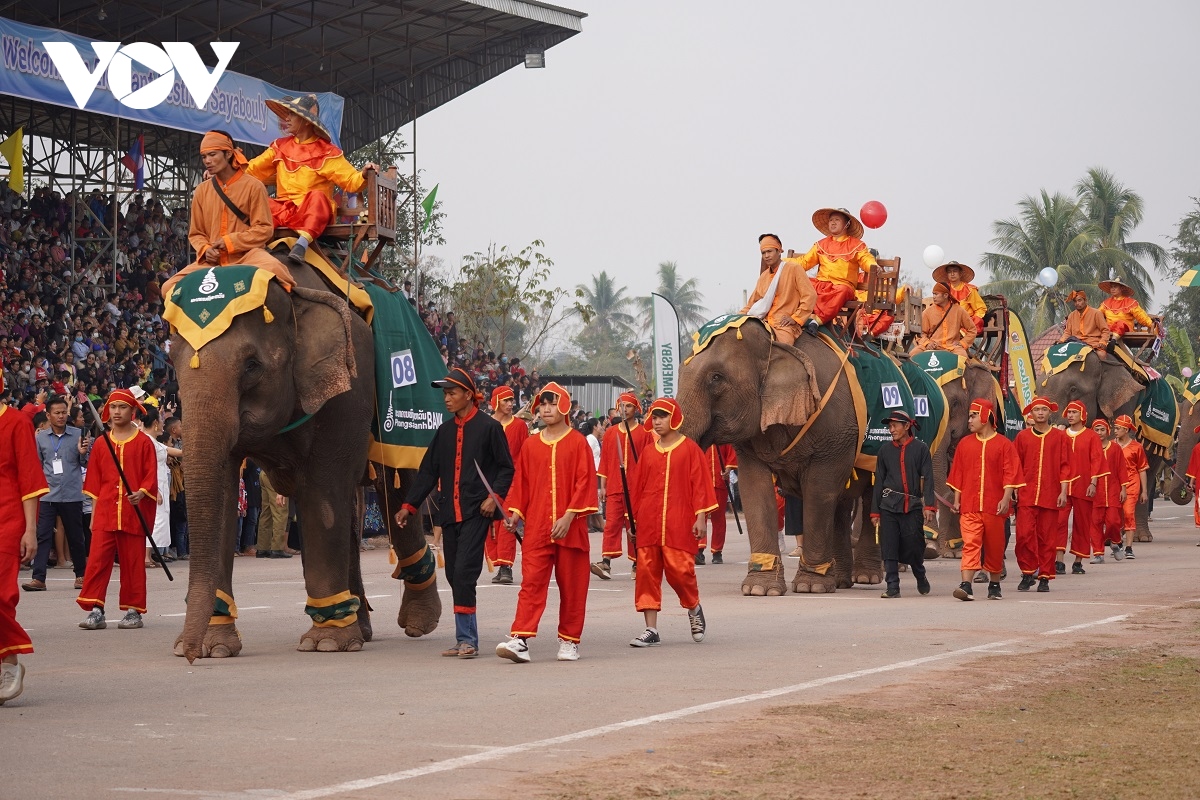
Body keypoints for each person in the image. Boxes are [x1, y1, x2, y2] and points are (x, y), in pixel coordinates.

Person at [395, 367, 513, 659]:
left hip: (477, 512)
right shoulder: (444, 431)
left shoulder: (490, 428)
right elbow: (427, 472)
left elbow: (506, 467)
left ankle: (468, 639)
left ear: (469, 396)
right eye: (445, 394)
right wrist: (409, 505)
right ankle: (464, 639)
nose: (446, 399)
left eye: (452, 393)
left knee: (464, 573)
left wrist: (494, 497)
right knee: (452, 575)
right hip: (450, 513)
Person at [495, 383, 598, 663]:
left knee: (573, 586)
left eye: (552, 403)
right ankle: (521, 639)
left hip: (571, 528)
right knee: (532, 582)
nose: (546, 409)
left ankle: (569, 640)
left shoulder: (578, 442)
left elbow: (585, 482)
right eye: (543, 404)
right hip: (538, 528)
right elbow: (522, 484)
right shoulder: (531, 444)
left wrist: (569, 515)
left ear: (564, 406)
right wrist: (514, 512)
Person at [246, 94, 378, 265]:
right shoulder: (279, 146)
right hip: (284, 209)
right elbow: (252, 169)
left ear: (306, 121)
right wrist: (226, 172)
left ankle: (301, 244)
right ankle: (256, 245)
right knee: (262, 202)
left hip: (312, 212)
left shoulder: (327, 152)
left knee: (318, 198)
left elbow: (351, 180)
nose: (287, 118)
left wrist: (365, 173)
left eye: (292, 114)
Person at [626, 397, 714, 646]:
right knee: (646, 574)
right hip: (649, 522)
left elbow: (700, 486)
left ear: (674, 418)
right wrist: (633, 521)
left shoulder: (689, 449)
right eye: (654, 417)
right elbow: (637, 489)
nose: (657, 421)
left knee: (680, 572)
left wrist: (700, 518)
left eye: (662, 416)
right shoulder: (648, 452)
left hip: (679, 522)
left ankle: (694, 607)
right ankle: (651, 630)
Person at [162, 130, 291, 298]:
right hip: (212, 261)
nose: (207, 161)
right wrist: (206, 249)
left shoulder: (254, 186)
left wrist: (230, 242)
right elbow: (196, 233)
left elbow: (264, 230)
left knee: (277, 272)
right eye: (204, 156)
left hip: (248, 255)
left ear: (228, 153)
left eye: (212, 155)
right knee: (168, 288)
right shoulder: (201, 191)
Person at [76, 388, 159, 631]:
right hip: (104, 511)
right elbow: (94, 481)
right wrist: (93, 513)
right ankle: (95, 609)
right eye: (113, 407)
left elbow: (150, 476)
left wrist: (142, 493)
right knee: (97, 562)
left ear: (133, 411)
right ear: (107, 411)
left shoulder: (144, 442)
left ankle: (133, 610)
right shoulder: (102, 444)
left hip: (133, 512)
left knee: (133, 562)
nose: (116, 412)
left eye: (122, 407)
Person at [0, 374, 49, 705]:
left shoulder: (16, 423)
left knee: (2, 596)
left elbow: (30, 479)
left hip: (7, 518)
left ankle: (10, 663)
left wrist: (30, 530)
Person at [947, 399, 1023, 601]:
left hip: (995, 506)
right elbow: (958, 474)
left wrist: (1006, 498)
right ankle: (966, 585)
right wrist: (957, 500)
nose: (969, 420)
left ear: (986, 417)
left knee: (995, 546)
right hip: (970, 505)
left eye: (973, 415)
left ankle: (995, 584)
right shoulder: (965, 444)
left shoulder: (1004, 444)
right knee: (970, 543)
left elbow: (1010, 474)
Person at [23, 394, 90, 592]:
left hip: (72, 494)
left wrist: (83, 453)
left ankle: (81, 575)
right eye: (57, 413)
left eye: (63, 412)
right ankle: (39, 578)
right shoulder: (40, 437)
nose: (61, 416)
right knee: (43, 536)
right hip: (47, 494)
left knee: (76, 537)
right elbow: (35, 465)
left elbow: (87, 464)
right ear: (48, 415)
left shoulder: (79, 434)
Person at [870, 410, 936, 599]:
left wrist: (929, 506)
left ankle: (920, 574)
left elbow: (929, 478)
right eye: (889, 426)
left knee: (914, 546)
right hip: (888, 506)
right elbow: (879, 481)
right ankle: (892, 586)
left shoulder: (921, 449)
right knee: (889, 545)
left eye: (894, 426)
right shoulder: (884, 451)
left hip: (912, 506)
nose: (891, 430)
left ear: (907, 426)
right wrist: (875, 512)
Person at [787, 208, 879, 333]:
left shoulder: (857, 245)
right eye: (831, 220)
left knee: (843, 290)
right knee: (801, 283)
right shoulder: (821, 244)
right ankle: (793, 316)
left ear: (847, 224)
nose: (833, 223)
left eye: (837, 220)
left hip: (842, 286)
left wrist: (873, 266)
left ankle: (816, 322)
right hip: (821, 284)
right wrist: (782, 261)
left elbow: (866, 259)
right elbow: (804, 262)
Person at [1013, 398, 1071, 592]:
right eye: (1036, 409)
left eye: (1044, 409)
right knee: (1023, 535)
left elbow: (1065, 466)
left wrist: (1063, 491)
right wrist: (1014, 488)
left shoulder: (1060, 437)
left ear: (1050, 412)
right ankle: (1028, 572)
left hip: (1050, 494)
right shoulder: (1022, 437)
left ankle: (1044, 576)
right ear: (1031, 412)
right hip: (1026, 494)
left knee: (1047, 538)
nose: (1040, 413)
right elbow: (1015, 465)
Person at [593, 392, 652, 580]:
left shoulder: (644, 434)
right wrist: (603, 485)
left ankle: (637, 563)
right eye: (622, 406)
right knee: (611, 524)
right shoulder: (611, 433)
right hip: (615, 486)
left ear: (636, 409)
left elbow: (649, 460)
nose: (624, 409)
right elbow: (606, 460)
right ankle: (606, 562)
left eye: (628, 406)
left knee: (634, 525)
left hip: (637, 488)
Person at [485, 385, 528, 585]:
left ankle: (506, 568)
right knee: (490, 525)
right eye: (506, 400)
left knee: (507, 522)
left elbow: (524, 455)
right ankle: (499, 562)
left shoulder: (519, 426)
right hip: (488, 482)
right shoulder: (484, 424)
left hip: (512, 481)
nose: (510, 404)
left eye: (512, 400)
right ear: (495, 402)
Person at [739, 233, 816, 345]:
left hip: (784, 326)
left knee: (781, 352)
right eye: (763, 253)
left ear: (779, 251)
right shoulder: (763, 277)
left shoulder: (794, 269)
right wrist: (735, 318)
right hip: (763, 323)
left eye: (769, 251)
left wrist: (795, 318)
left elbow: (810, 296)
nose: (766, 256)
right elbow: (751, 304)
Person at [1058, 400, 1106, 575]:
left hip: (1084, 484)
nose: (1070, 415)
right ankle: (1059, 560)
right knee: (1059, 522)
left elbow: (1097, 460)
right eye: (1069, 412)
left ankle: (1078, 561)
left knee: (1082, 523)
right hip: (1062, 486)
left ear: (1082, 415)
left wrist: (1093, 482)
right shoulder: (1061, 435)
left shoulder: (1091, 436)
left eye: (1074, 412)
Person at [1089, 418, 1128, 564]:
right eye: (1096, 430)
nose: (1099, 433)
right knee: (1095, 523)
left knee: (1113, 521)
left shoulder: (1115, 448)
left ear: (1108, 431)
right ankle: (1098, 553)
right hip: (1095, 492)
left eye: (1102, 429)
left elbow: (1121, 469)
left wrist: (1123, 488)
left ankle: (1115, 541)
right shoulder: (1090, 448)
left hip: (1113, 490)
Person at [1112, 414, 1148, 559]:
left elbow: (1142, 469)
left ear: (1126, 430)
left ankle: (1128, 547)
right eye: (1115, 428)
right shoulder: (1111, 445)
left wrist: (1144, 491)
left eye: (1118, 428)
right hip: (1114, 485)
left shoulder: (1137, 447)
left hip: (1132, 484)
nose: (1115, 431)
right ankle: (1118, 542)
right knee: (1115, 517)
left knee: (1128, 513)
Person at [909, 282, 977, 357]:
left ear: (945, 295)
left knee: (962, 356)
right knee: (913, 354)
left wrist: (962, 343)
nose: (934, 297)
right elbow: (920, 333)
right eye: (933, 294)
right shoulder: (927, 312)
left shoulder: (959, 311)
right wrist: (927, 343)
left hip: (952, 347)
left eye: (936, 294)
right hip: (933, 346)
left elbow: (972, 330)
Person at [696, 444, 737, 565]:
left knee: (718, 519)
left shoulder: (723, 436)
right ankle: (699, 550)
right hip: (702, 484)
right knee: (700, 517)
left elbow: (731, 453)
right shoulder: (701, 435)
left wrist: (728, 469)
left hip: (720, 483)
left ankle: (717, 551)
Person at [931, 261, 987, 335]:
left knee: (978, 320)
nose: (952, 274)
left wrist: (973, 319)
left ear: (960, 273)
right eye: (949, 272)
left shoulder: (969, 289)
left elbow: (981, 308)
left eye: (955, 271)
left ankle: (962, 333)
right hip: (948, 320)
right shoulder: (943, 289)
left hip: (966, 320)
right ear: (947, 274)